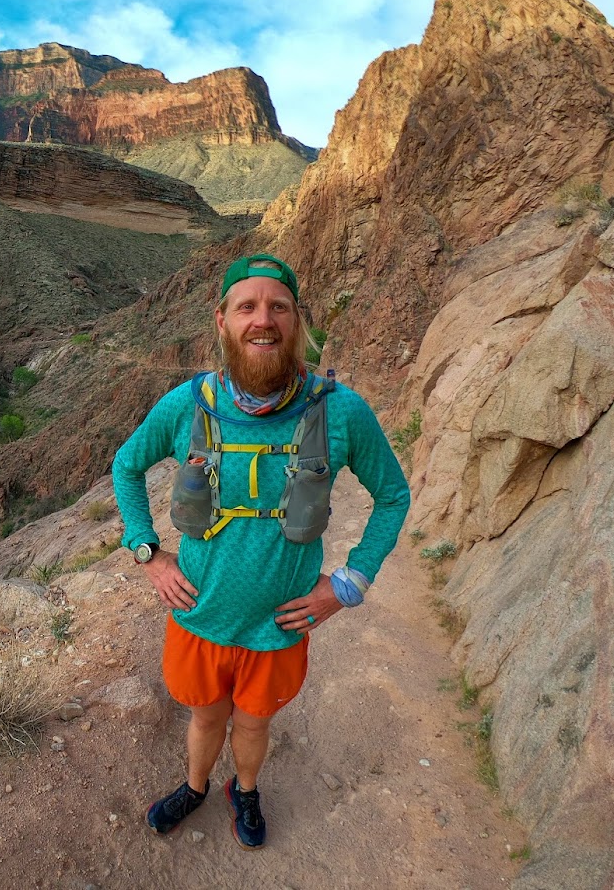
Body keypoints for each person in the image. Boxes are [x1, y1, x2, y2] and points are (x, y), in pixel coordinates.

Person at [112, 254, 410, 849]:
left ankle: (243, 790)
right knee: (205, 716)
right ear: (221, 320)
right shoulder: (187, 404)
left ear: (298, 322)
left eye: (278, 306)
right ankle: (196, 785)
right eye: (247, 306)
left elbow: (393, 496)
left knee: (253, 721)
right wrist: (149, 553)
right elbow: (127, 465)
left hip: (280, 623)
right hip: (199, 612)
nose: (262, 320)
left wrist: (347, 584)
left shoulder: (339, 410)